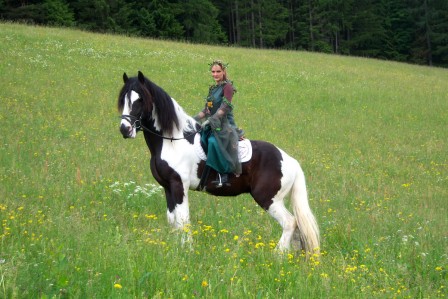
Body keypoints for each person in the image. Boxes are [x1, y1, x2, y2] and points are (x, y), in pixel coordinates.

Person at [194, 60, 244, 187]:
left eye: (218, 72)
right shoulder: (212, 89)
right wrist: (192, 119)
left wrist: (212, 119)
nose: (215, 74)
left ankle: (224, 174)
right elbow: (207, 109)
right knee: (201, 140)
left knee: (213, 142)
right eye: (213, 72)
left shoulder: (228, 87)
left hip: (224, 125)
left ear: (224, 72)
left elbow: (225, 106)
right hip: (211, 124)